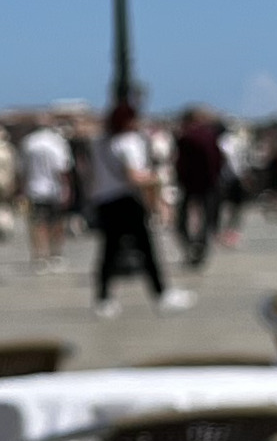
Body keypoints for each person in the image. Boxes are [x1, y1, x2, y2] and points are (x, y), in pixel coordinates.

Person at [86, 93, 181, 315]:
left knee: (108, 250)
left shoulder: (99, 142)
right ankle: (161, 293)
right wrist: (157, 179)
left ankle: (103, 298)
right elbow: (134, 177)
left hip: (104, 201)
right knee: (146, 248)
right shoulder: (129, 142)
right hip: (126, 200)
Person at [172, 106, 229, 269]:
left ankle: (192, 245)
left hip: (190, 182)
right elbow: (217, 159)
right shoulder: (209, 136)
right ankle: (199, 246)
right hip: (208, 182)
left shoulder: (185, 137)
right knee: (206, 218)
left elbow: (180, 162)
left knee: (182, 219)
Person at [18, 115, 73, 270]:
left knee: (37, 224)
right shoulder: (57, 142)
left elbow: (22, 170)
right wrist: (67, 188)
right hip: (55, 189)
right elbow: (63, 169)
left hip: (34, 188)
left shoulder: (28, 142)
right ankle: (55, 254)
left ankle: (40, 256)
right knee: (56, 222)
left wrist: (21, 189)